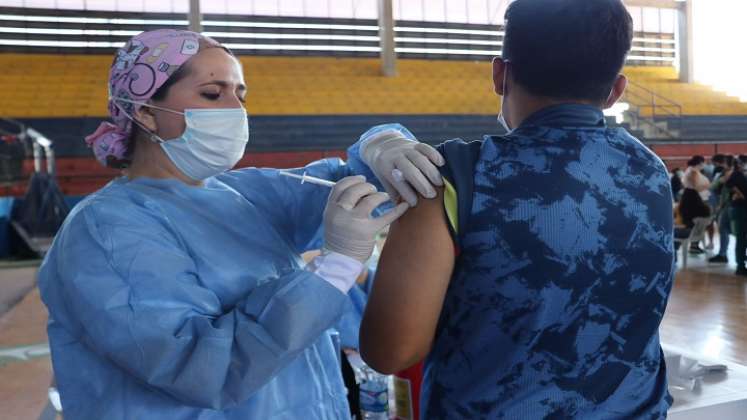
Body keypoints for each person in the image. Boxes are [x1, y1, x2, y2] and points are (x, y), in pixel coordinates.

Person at [37, 29, 444, 419]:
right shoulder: (105, 231)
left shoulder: (241, 195)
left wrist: (383, 144)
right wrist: (334, 268)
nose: (235, 109)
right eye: (213, 94)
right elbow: (202, 370)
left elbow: (352, 180)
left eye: (240, 94)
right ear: (144, 112)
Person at [360, 0, 674, 418]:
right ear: (617, 89)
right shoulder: (650, 170)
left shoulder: (452, 176)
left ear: (499, 74)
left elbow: (392, 350)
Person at [708, 155, 734, 263]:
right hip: (725, 205)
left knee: (724, 229)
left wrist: (721, 205)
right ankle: (723, 253)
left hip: (727, 205)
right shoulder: (725, 173)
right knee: (725, 230)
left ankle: (723, 254)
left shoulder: (728, 174)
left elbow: (713, 187)